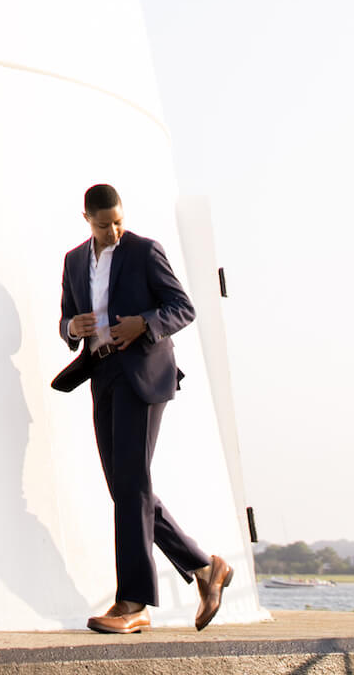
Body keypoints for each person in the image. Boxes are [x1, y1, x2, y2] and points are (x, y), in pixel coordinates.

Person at [54, 183, 233, 634]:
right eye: (104, 224)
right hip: (101, 374)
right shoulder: (73, 262)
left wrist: (144, 324)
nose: (113, 231)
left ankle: (133, 603)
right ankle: (205, 567)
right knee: (125, 488)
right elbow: (66, 318)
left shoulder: (145, 251)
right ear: (86, 219)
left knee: (132, 484)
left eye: (118, 221)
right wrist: (72, 327)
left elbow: (182, 307)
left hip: (143, 373)